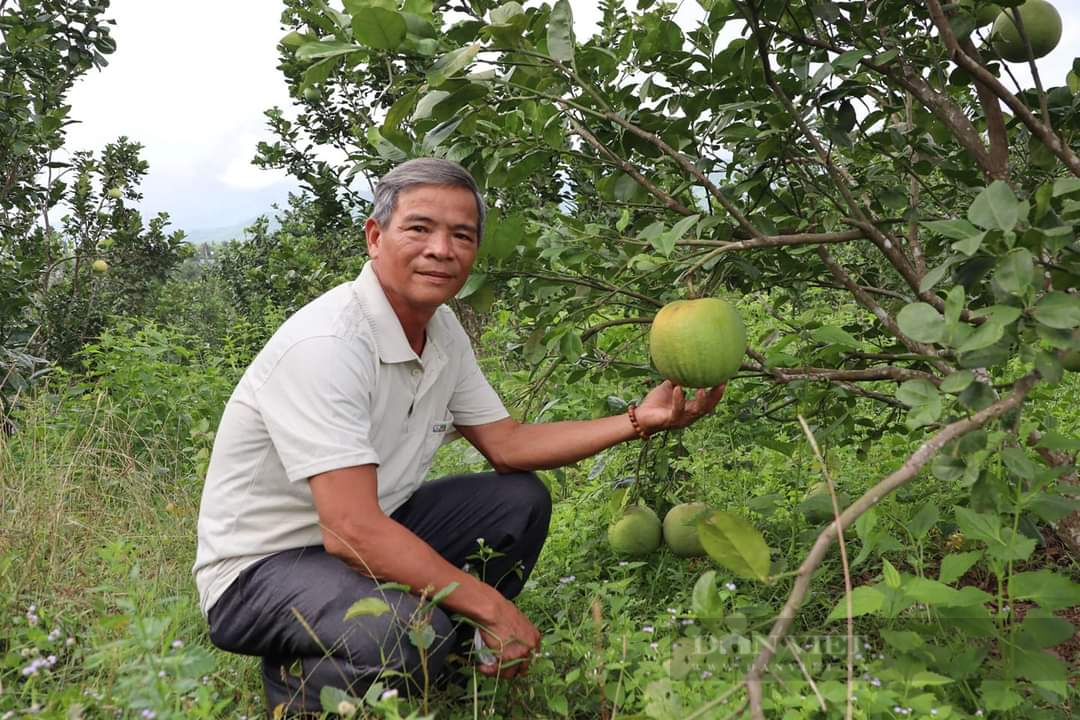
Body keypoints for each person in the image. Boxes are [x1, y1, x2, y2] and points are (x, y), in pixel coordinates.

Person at [193, 158, 725, 716]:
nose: (441, 249)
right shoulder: (326, 345)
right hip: (262, 570)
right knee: (403, 631)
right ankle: (301, 684)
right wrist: (493, 607)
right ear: (375, 237)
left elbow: (509, 444)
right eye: (419, 228)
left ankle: (451, 657)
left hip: (370, 528)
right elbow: (350, 532)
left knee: (517, 501)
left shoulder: (440, 330)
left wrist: (639, 419)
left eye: (461, 235)